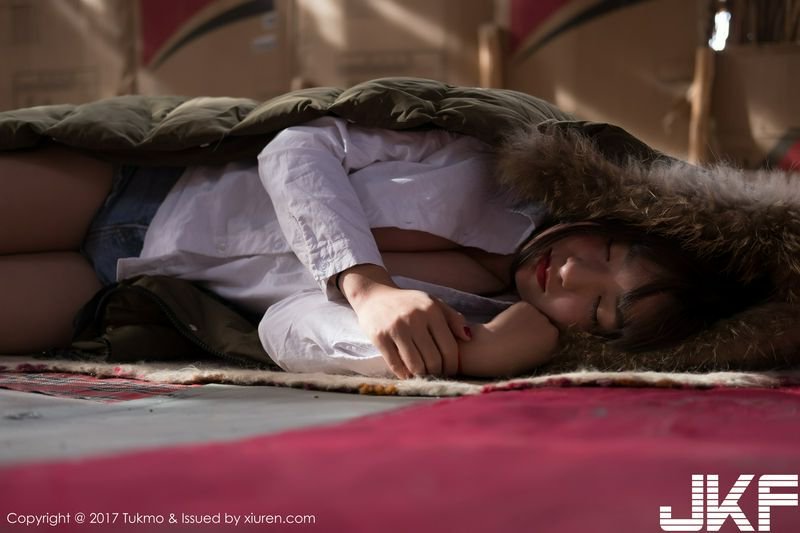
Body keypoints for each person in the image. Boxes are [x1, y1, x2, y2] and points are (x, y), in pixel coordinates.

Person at [0, 117, 740, 379]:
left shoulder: (482, 320)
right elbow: (299, 144)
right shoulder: (483, 164)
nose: (574, 271)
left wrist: (470, 356)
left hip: (122, 287)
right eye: (609, 247)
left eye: (602, 307)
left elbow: (283, 328)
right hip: (139, 185)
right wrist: (365, 283)